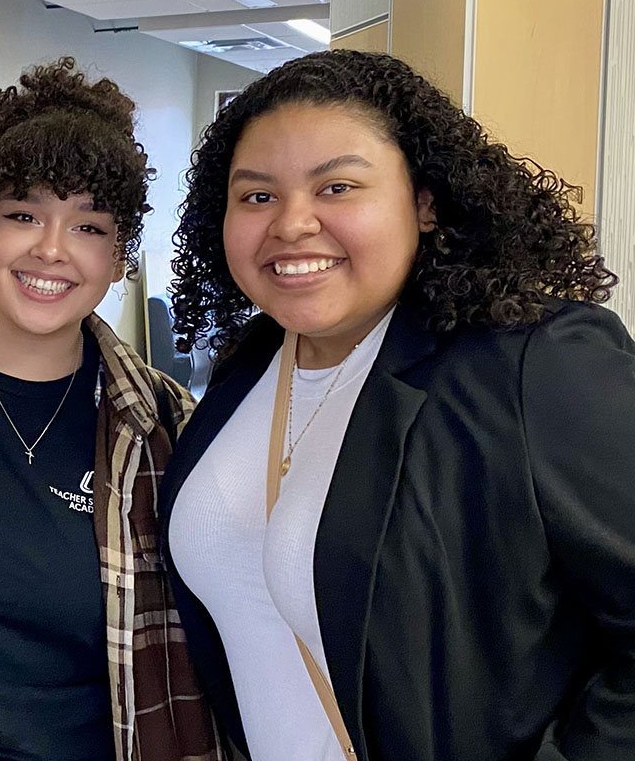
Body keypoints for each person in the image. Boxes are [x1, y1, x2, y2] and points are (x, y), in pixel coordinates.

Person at [160, 48, 635, 761]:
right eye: (257, 196)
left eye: (338, 187)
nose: (291, 224)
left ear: (425, 201)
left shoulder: (534, 363)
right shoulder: (248, 368)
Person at [0, 58, 219, 761]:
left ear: (121, 257)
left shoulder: (164, 427)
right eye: (22, 215)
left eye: (89, 227)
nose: (52, 249)